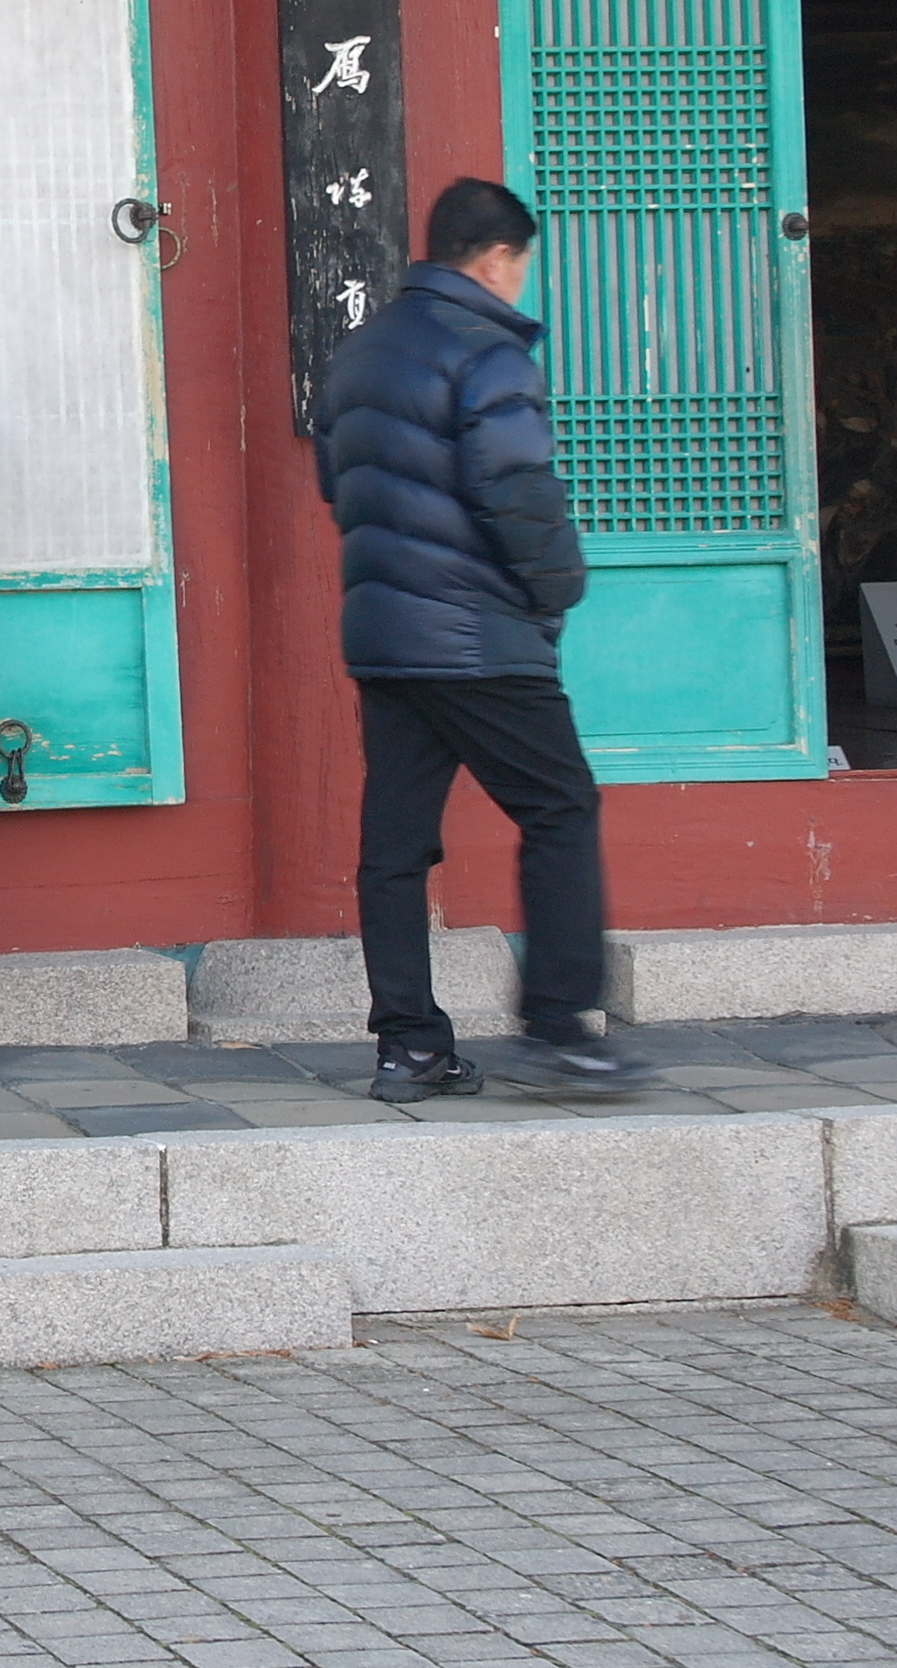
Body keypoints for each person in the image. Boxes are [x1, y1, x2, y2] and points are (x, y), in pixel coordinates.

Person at [316, 178, 660, 1102]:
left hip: (384, 635)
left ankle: (408, 1046)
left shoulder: (360, 351)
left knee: (395, 844)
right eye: (521, 264)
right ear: (500, 257)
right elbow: (519, 492)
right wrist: (557, 591)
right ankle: (562, 1031)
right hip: (477, 636)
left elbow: (337, 485)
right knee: (560, 808)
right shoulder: (487, 351)